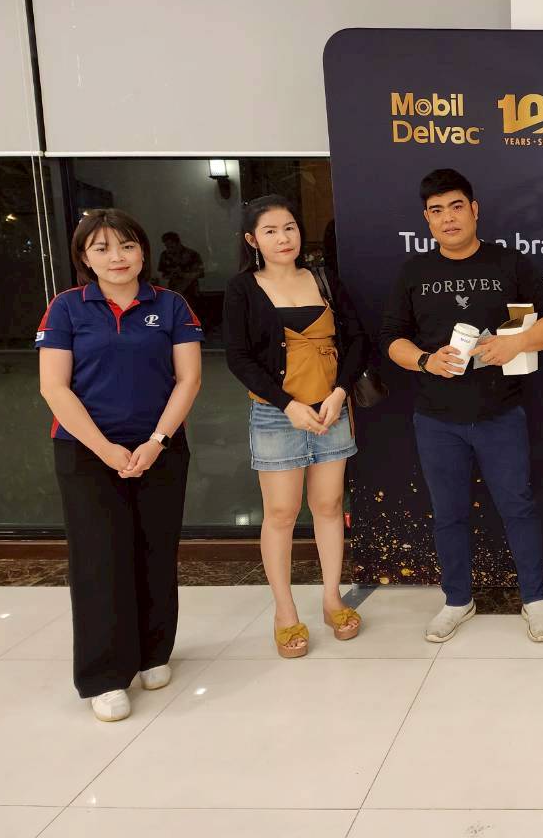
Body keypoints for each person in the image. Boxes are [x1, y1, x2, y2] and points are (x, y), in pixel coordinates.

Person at [379, 168, 543, 643]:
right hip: (436, 418)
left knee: (518, 506)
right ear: (427, 219)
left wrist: (517, 342)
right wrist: (425, 360)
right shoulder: (414, 272)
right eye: (437, 211)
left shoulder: (508, 262)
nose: (448, 218)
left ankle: (535, 599)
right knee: (448, 512)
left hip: (500, 412)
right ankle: (457, 599)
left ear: (475, 209)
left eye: (457, 206)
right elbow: (391, 338)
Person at [36, 209, 203, 721]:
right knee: (99, 559)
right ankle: (104, 675)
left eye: (127, 246)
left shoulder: (170, 304)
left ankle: (153, 652)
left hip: (160, 449)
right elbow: (54, 387)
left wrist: (156, 441)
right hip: (86, 453)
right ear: (84, 257)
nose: (117, 257)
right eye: (102, 248)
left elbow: (189, 379)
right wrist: (105, 449)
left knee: (156, 550)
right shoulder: (67, 308)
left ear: (143, 251)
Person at [223, 195, 370, 658]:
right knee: (282, 514)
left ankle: (332, 599)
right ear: (253, 240)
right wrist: (287, 405)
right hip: (277, 414)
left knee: (329, 506)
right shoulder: (243, 289)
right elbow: (238, 358)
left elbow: (357, 339)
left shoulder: (323, 278)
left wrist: (341, 392)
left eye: (289, 227)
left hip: (331, 410)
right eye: (270, 231)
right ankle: (285, 612)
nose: (283, 238)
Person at [158, 231, 205, 305]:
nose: (169, 250)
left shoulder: (192, 255)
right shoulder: (165, 255)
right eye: (167, 247)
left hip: (191, 293)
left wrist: (182, 274)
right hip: (173, 292)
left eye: (172, 247)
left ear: (178, 243)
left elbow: (200, 273)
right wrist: (171, 275)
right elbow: (163, 275)